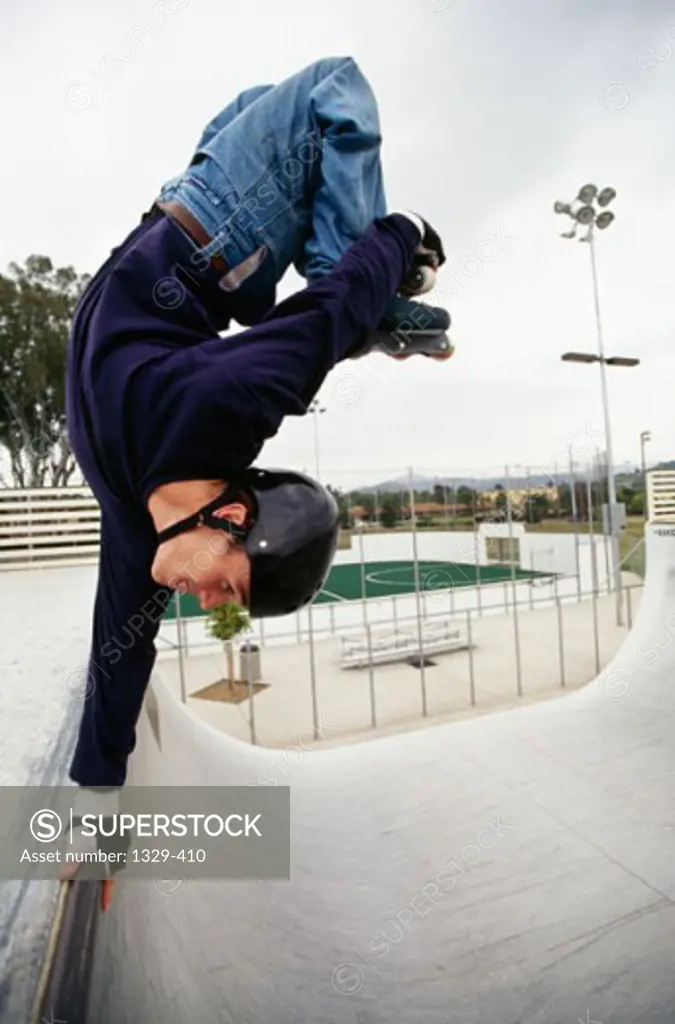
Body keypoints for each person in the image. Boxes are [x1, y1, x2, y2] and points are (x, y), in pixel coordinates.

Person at [65, 56, 451, 787]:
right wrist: (402, 233)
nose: (205, 604)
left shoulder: (139, 520)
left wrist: (95, 815)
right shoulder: (218, 405)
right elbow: (318, 323)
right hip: (228, 220)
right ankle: (376, 278)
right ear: (235, 514)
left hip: (184, 220)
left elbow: (118, 647)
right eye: (228, 589)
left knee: (243, 106)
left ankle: (366, 295)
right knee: (336, 88)